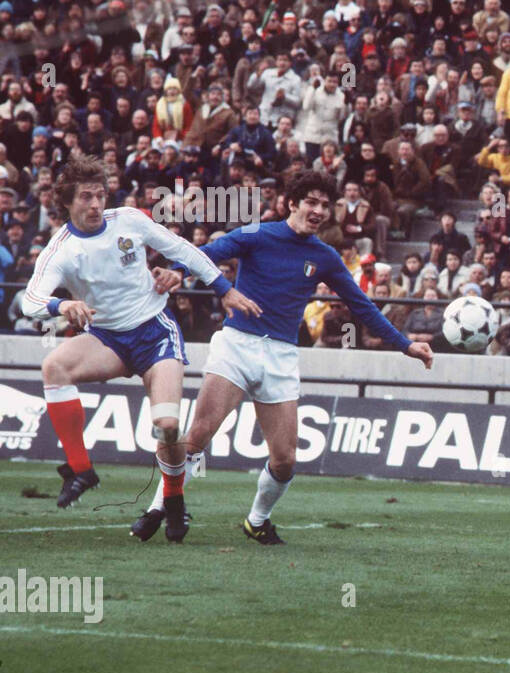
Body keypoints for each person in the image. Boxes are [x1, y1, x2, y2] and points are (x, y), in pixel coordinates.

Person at [135, 172, 434, 544]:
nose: (319, 210)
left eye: (325, 205)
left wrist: (406, 345)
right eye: (311, 202)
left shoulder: (325, 257)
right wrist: (176, 271)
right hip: (237, 346)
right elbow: (204, 255)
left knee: (285, 459)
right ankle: (156, 508)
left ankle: (257, 520)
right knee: (197, 435)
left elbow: (363, 307)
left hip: (281, 357)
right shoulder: (256, 234)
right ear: (292, 203)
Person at [20, 155, 258, 541]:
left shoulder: (128, 220)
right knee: (54, 367)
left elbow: (182, 250)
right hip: (108, 339)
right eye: (86, 197)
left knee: (166, 426)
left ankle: (175, 502)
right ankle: (81, 470)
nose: (96, 204)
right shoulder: (60, 249)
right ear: (67, 201)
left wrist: (224, 289)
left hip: (154, 332)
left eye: (100, 195)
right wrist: (61, 305)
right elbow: (29, 299)